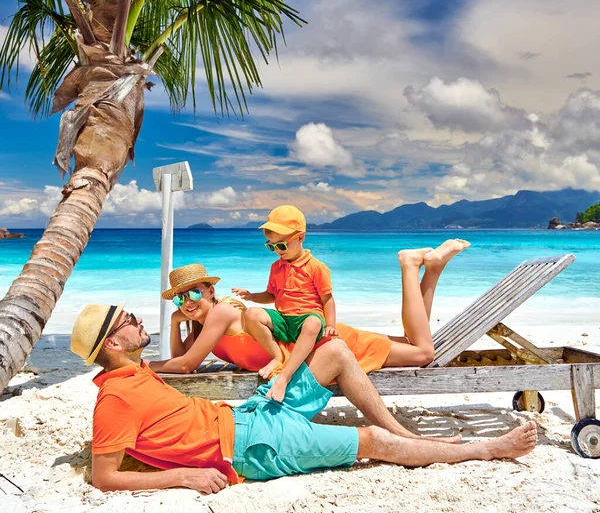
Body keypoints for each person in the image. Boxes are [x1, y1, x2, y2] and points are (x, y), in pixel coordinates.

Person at [70, 300, 537, 494]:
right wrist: (186, 475)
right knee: (368, 440)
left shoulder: (139, 372)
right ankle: (486, 449)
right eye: (127, 319)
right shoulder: (114, 400)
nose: (136, 319)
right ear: (112, 344)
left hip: (251, 413)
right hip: (253, 448)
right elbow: (105, 476)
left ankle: (401, 429)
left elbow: (182, 365)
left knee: (334, 349)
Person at [151, 238, 470, 384]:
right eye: (179, 298)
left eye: (193, 292)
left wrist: (138, 364)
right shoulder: (204, 323)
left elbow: (184, 365)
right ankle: (432, 269)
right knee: (413, 341)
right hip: (316, 346)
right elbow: (184, 361)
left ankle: (410, 264)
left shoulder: (221, 313)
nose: (187, 302)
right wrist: (176, 322)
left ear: (210, 290)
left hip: (321, 349)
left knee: (423, 351)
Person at [230, 205, 337, 402]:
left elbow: (327, 299)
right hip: (285, 320)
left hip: (307, 318)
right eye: (271, 246)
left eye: (281, 245)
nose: (277, 251)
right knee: (252, 314)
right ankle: (277, 356)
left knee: (313, 323)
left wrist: (330, 324)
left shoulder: (316, 267)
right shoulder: (276, 267)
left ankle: (285, 376)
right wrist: (252, 296)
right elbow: (271, 295)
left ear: (300, 237)